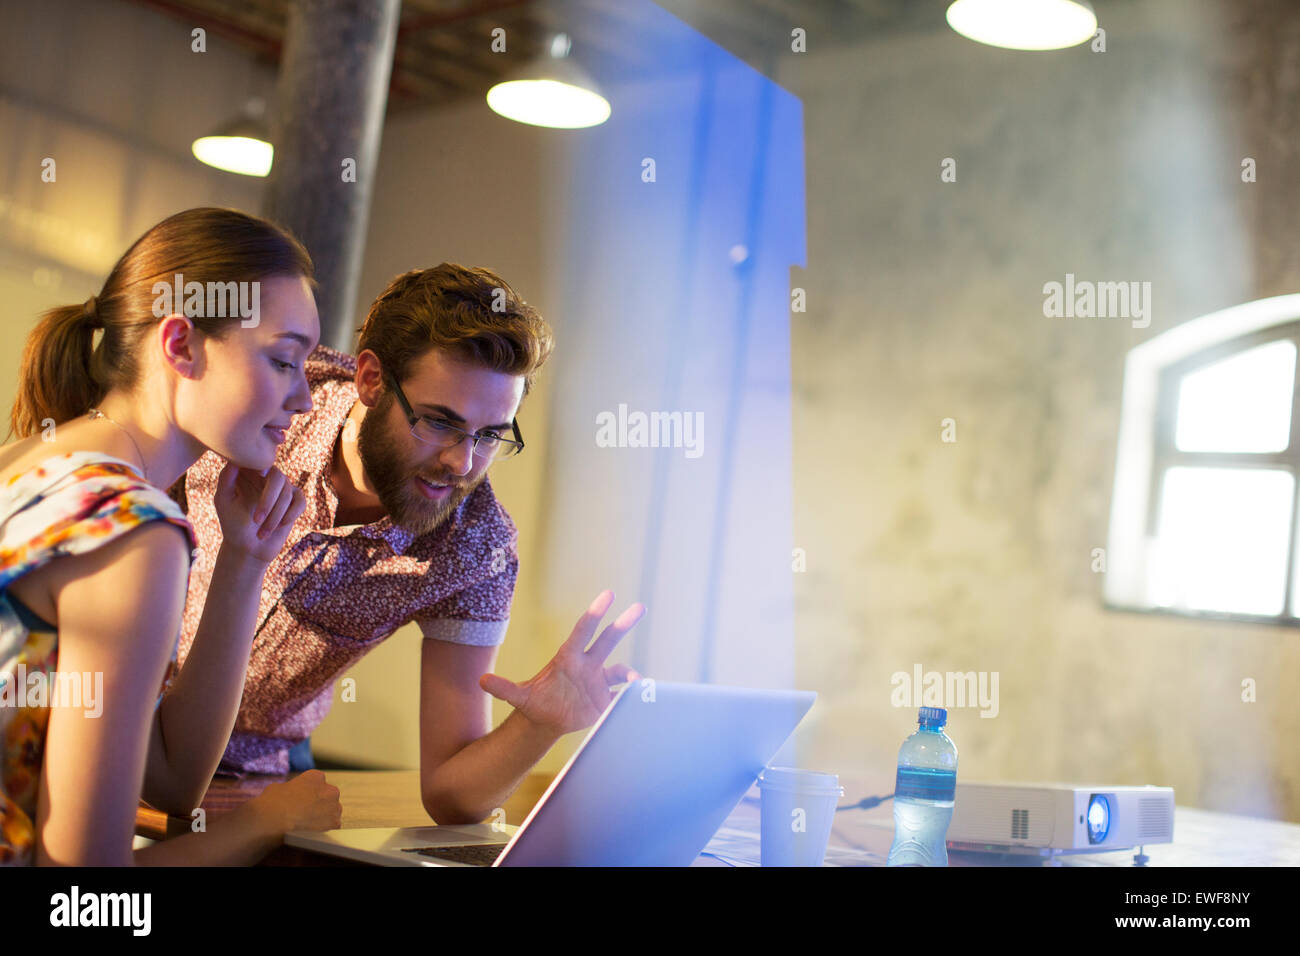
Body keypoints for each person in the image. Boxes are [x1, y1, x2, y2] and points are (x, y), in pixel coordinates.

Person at [175, 264, 646, 824]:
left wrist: (539, 724)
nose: (461, 462)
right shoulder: (272, 402)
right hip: (114, 707)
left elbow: (451, 793)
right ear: (371, 380)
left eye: (491, 434)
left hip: (251, 773)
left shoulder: (475, 549)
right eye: (439, 423)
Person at [0, 207, 341, 866]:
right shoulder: (128, 529)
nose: (303, 398)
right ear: (180, 343)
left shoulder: (27, 463)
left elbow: (172, 778)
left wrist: (245, 561)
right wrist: (259, 826)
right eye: (282, 360)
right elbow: (83, 896)